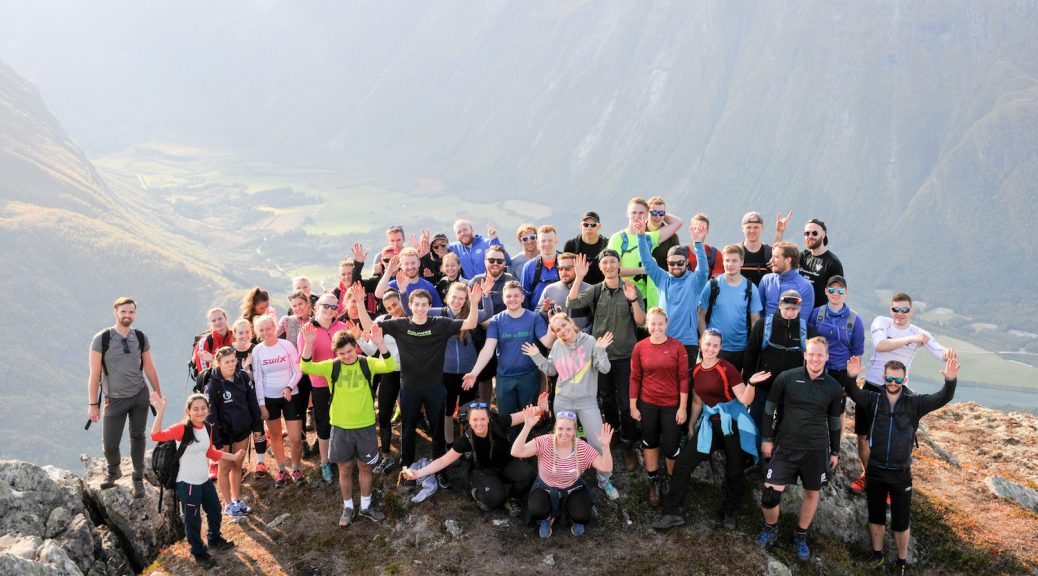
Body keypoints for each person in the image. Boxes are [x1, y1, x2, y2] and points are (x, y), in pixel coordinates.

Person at [355, 284, 482, 488]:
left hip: (435, 388)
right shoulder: (400, 324)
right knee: (407, 431)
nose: (420, 308)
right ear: (410, 305)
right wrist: (360, 303)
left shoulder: (440, 323)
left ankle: (440, 471)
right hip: (409, 388)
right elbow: (370, 325)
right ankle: (407, 471)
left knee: (437, 432)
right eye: (417, 304)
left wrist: (474, 303)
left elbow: (471, 322)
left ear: (430, 306)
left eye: (424, 305)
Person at [842, 354, 960, 574]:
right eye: (889, 379)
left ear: (904, 380)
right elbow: (852, 391)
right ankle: (877, 556)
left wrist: (950, 381)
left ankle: (901, 562)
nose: (893, 383)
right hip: (875, 470)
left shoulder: (915, 403)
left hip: (901, 473)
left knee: (901, 522)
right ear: (883, 378)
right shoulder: (874, 399)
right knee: (876, 517)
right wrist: (851, 376)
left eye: (898, 380)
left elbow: (943, 397)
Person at [654, 328, 768, 530]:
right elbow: (697, 401)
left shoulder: (727, 368)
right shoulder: (696, 370)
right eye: (708, 344)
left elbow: (745, 399)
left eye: (715, 345)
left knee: (734, 470)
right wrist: (692, 424)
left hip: (732, 424)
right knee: (683, 463)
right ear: (701, 343)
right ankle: (673, 512)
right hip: (710, 424)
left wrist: (751, 383)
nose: (711, 348)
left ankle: (730, 512)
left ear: (720, 347)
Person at [850, 292, 952, 495]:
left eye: (905, 309)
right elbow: (880, 345)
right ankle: (868, 476)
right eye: (896, 309)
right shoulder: (883, 322)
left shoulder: (919, 332)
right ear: (891, 309)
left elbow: (939, 352)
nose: (900, 313)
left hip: (897, 391)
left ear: (911, 311)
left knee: (891, 440)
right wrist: (912, 339)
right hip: (872, 387)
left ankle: (886, 484)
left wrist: (948, 353)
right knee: (862, 436)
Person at [755, 337, 845, 561]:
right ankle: (771, 527)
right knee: (769, 495)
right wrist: (767, 438)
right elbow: (768, 409)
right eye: (811, 354)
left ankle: (801, 535)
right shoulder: (787, 377)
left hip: (816, 449)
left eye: (820, 355)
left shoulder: (834, 387)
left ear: (827, 357)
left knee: (812, 492)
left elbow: (835, 422)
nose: (815, 359)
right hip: (785, 446)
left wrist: (835, 451)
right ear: (805, 355)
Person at [300, 322, 398, 527]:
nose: (346, 356)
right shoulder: (332, 366)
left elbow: (389, 365)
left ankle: (366, 506)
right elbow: (306, 367)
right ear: (336, 353)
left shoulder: (367, 363)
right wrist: (308, 344)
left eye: (349, 351)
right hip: (340, 427)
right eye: (342, 353)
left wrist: (380, 344)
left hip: (365, 425)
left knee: (365, 467)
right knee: (344, 469)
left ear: (356, 347)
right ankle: (348, 508)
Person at [523, 314, 619, 499]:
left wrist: (600, 350)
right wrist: (536, 356)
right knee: (564, 441)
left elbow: (605, 368)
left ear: (571, 323)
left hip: (587, 401)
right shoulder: (557, 346)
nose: (562, 331)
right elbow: (551, 370)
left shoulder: (589, 341)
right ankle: (567, 477)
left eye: (564, 326)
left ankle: (604, 480)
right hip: (563, 401)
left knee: (598, 441)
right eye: (557, 330)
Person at [566, 250, 645, 470]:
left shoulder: (630, 289)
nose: (609, 266)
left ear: (619, 264)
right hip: (600, 356)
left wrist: (633, 300)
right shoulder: (595, 290)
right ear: (600, 267)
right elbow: (571, 303)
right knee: (607, 399)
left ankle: (628, 443)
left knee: (626, 403)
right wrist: (579, 277)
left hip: (625, 356)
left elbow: (641, 321)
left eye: (612, 261)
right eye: (605, 262)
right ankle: (615, 434)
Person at [401, 399, 539, 515]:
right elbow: (443, 460)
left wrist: (542, 407)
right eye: (475, 419)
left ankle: (513, 499)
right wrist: (418, 473)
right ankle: (478, 491)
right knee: (495, 498)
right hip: (484, 471)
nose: (479, 424)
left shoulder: (498, 423)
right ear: (469, 420)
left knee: (528, 474)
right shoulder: (465, 440)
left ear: (489, 418)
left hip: (506, 464)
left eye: (483, 419)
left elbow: (525, 414)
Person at [150, 394, 242, 568]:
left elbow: (210, 452)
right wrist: (160, 411)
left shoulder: (207, 427)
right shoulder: (181, 429)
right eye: (196, 409)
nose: (200, 412)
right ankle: (199, 552)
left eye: (203, 408)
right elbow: (156, 436)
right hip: (187, 483)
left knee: (215, 510)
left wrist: (234, 457)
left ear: (208, 409)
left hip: (204, 480)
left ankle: (214, 539)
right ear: (188, 411)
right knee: (193, 519)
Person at [87, 297, 162, 497]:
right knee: (110, 443)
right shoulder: (102, 339)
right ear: (116, 313)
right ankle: (114, 470)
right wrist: (93, 404)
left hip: (139, 395)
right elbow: (94, 374)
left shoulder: (140, 337)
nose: (127, 315)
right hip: (115, 399)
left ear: (135, 314)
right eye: (123, 312)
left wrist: (158, 394)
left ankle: (137, 477)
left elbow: (149, 367)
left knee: (138, 436)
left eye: (131, 312)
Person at [464, 281, 555, 440]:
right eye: (509, 296)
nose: (512, 299)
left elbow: (547, 342)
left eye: (516, 296)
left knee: (528, 417)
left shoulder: (533, 318)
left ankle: (525, 448)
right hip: (505, 378)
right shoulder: (497, 320)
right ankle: (509, 448)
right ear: (503, 299)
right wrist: (474, 372)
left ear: (522, 298)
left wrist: (552, 323)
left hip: (528, 376)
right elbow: (488, 349)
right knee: (507, 418)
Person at [512, 406, 614, 538]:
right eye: (560, 428)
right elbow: (516, 452)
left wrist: (605, 446)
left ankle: (571, 514)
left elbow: (606, 467)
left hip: (572, 487)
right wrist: (527, 426)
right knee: (537, 509)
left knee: (582, 516)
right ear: (555, 428)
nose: (564, 433)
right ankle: (547, 518)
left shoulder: (582, 447)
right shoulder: (545, 441)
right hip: (545, 486)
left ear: (575, 430)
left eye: (569, 429)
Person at [629, 308, 688, 506]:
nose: (656, 328)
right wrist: (633, 406)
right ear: (647, 325)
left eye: (660, 324)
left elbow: (683, 379)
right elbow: (635, 378)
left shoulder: (677, 347)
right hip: (648, 403)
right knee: (649, 442)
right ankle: (653, 481)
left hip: (672, 404)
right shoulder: (640, 347)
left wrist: (682, 408)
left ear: (667, 324)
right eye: (653, 324)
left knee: (671, 447)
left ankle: (672, 481)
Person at [742, 290, 818, 430]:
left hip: (791, 390)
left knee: (785, 430)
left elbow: (814, 360)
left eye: (794, 309)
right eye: (786, 308)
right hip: (763, 387)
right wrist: (748, 383)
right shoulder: (762, 325)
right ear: (779, 306)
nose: (790, 312)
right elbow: (750, 356)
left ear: (800, 309)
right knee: (756, 427)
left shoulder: (807, 330)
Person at [431, 280, 494, 445]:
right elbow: (413, 310)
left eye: (461, 298)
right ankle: (449, 443)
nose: (457, 301)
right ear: (447, 297)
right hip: (446, 371)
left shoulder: (470, 313)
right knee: (448, 409)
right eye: (454, 297)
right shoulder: (438, 314)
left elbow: (488, 312)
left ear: (466, 300)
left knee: (467, 409)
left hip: (468, 372)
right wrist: (403, 291)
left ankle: (465, 443)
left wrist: (486, 295)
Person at [639, 218, 710, 363]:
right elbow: (647, 262)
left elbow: (703, 271)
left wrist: (698, 243)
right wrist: (641, 236)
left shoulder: (694, 281)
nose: (676, 266)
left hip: (688, 342)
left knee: (685, 378)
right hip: (663, 340)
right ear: (667, 263)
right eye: (672, 263)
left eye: (680, 263)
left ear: (687, 262)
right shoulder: (662, 278)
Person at [204, 347, 263, 520]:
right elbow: (210, 416)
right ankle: (228, 504)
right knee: (224, 468)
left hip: (242, 429)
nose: (231, 365)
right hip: (223, 435)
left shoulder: (243, 377)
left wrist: (257, 425)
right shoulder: (212, 386)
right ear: (218, 363)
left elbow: (252, 402)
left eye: (233, 361)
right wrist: (216, 441)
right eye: (226, 362)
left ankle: (237, 500)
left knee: (237, 465)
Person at [253, 315, 305, 487]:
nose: (265, 332)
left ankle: (296, 469)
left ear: (274, 327)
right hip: (269, 398)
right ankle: (281, 470)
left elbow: (298, 370)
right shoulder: (257, 350)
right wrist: (261, 404)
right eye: (261, 330)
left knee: (295, 438)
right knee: (275, 435)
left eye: (268, 328)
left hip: (291, 395)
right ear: (258, 332)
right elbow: (258, 380)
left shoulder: (286, 345)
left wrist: (289, 387)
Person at [608, 197, 683, 308]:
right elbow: (612, 270)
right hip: (623, 297)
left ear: (647, 214)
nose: (637, 216)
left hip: (647, 298)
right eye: (633, 212)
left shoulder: (649, 238)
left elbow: (678, 222)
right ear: (627, 213)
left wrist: (658, 212)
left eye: (641, 213)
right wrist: (641, 270)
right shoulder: (617, 238)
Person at [698, 244, 763, 371]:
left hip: (741, 349)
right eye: (727, 260)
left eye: (734, 260)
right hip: (715, 349)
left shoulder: (751, 288)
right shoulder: (712, 286)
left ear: (741, 262)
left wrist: (752, 349)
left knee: (737, 383)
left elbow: (755, 320)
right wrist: (706, 342)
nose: (730, 264)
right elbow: (700, 316)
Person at [362, 290, 406, 473]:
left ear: (402, 301)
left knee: (409, 415)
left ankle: (406, 455)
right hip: (389, 372)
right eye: (389, 307)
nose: (393, 309)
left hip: (409, 373)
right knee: (384, 415)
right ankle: (386, 456)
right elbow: (371, 351)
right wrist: (358, 338)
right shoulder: (382, 321)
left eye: (395, 304)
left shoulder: (413, 319)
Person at [809, 275, 864, 399]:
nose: (835, 294)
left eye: (840, 291)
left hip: (840, 373)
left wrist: (851, 380)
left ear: (846, 293)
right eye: (831, 290)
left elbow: (857, 352)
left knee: (836, 407)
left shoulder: (855, 320)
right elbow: (808, 344)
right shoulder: (816, 314)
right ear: (826, 291)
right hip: (816, 369)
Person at [375, 248, 443, 315]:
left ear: (419, 263)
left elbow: (439, 312)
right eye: (406, 264)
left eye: (413, 263)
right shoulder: (395, 285)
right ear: (400, 265)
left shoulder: (428, 286)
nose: (410, 267)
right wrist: (389, 271)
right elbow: (378, 294)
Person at [536, 252, 591, 333]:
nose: (563, 272)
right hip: (557, 339)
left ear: (578, 268)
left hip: (584, 338)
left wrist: (583, 334)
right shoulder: (549, 289)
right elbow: (537, 318)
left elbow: (597, 319)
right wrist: (544, 310)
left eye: (567, 268)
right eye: (560, 268)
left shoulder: (590, 290)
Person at [758, 242, 814, 320]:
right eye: (772, 256)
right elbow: (759, 312)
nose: (771, 260)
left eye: (776, 257)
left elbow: (802, 321)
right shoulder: (766, 280)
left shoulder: (805, 286)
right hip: (766, 327)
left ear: (788, 260)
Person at [799, 219, 844, 309]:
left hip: (819, 314)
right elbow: (779, 259)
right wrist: (780, 232)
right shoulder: (803, 257)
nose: (810, 236)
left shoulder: (833, 263)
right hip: (799, 311)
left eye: (814, 233)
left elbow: (838, 293)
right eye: (807, 233)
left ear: (823, 235)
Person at [739, 211, 791, 286]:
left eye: (756, 227)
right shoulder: (736, 252)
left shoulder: (768, 253)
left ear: (762, 228)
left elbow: (775, 252)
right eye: (748, 227)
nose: (752, 231)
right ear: (743, 229)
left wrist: (779, 232)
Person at [521, 225, 562, 311]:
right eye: (543, 241)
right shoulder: (529, 267)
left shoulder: (565, 264)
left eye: (550, 240)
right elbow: (524, 297)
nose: (547, 244)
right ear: (538, 243)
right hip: (536, 316)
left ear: (556, 242)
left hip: (561, 315)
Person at [563, 211, 608, 285]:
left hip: (602, 287)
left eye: (593, 225)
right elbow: (565, 270)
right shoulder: (571, 245)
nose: (589, 228)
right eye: (586, 225)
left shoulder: (607, 245)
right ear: (581, 226)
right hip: (577, 287)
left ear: (599, 226)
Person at [193, 308, 233, 377]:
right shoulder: (204, 343)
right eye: (214, 321)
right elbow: (204, 375)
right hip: (215, 382)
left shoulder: (237, 337)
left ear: (226, 318)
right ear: (210, 323)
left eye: (220, 319)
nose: (217, 322)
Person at [682, 213, 723, 278]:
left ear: (707, 231)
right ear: (690, 229)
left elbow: (716, 280)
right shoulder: (681, 253)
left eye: (702, 229)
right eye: (696, 228)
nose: (698, 232)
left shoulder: (716, 255)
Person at [647, 196, 681, 270]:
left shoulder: (672, 236)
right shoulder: (638, 232)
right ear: (647, 212)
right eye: (654, 213)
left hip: (664, 276)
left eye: (661, 213)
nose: (658, 217)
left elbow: (676, 262)